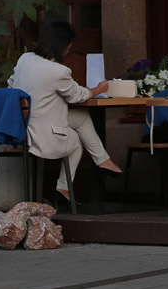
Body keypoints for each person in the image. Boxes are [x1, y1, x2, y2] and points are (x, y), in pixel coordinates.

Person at [7, 21, 124, 204]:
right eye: (69, 45)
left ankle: (103, 162)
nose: (69, 49)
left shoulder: (25, 59)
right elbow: (77, 96)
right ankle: (64, 187)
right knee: (76, 141)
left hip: (22, 126)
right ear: (63, 45)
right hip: (41, 133)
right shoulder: (58, 71)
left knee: (82, 117)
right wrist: (98, 89)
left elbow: (11, 84)